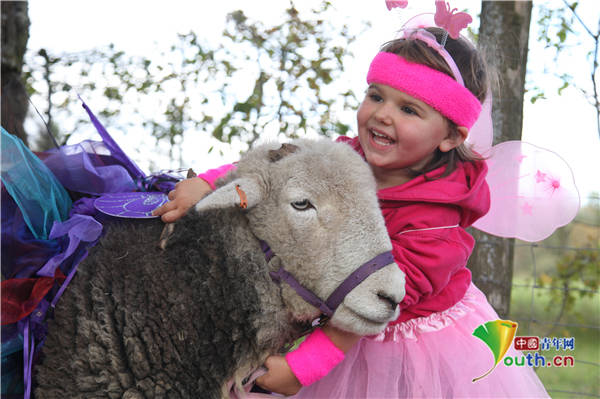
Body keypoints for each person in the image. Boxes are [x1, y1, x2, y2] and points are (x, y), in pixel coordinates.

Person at [153, 24, 549, 398]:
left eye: (409, 109)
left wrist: (304, 366)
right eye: (376, 96)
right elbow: (278, 169)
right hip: (334, 306)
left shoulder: (434, 223)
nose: (382, 114)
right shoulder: (343, 161)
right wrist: (209, 183)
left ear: (450, 136)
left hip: (401, 342)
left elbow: (381, 302)